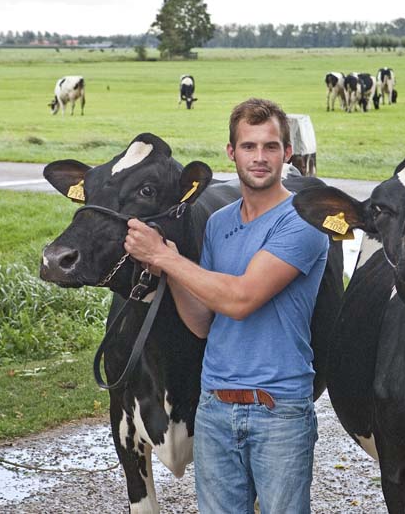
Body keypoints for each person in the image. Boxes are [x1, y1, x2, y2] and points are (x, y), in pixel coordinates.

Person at [124, 98, 329, 514]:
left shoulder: (303, 222)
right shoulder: (219, 224)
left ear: (287, 154)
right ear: (231, 153)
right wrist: (170, 269)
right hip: (215, 408)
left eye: (270, 146)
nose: (259, 157)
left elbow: (240, 299)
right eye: (248, 146)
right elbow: (202, 322)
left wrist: (167, 258)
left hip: (279, 410)